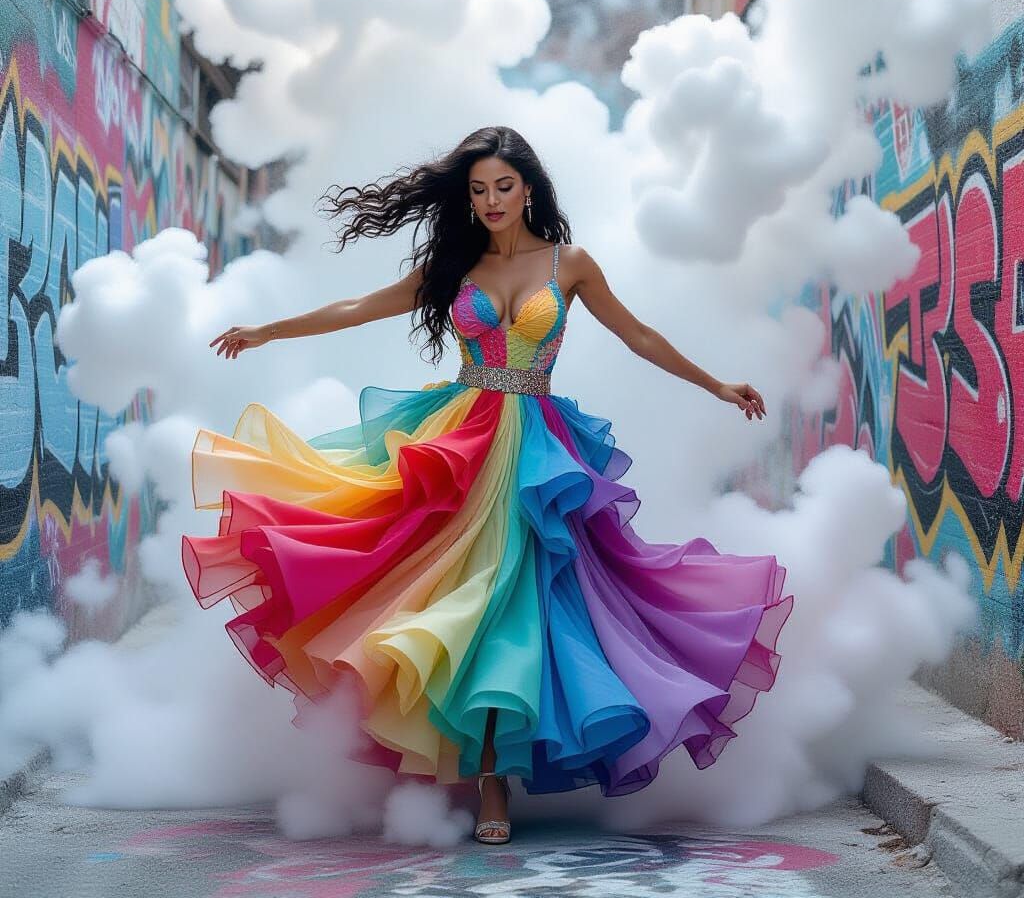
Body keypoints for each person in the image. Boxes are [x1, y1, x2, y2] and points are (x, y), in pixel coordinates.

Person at [182, 126, 793, 846]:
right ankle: (489, 784)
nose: (492, 200)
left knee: (524, 605)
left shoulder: (571, 264)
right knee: (456, 599)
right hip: (462, 438)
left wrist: (717, 384)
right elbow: (357, 307)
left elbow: (641, 336)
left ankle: (503, 772)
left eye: (503, 186)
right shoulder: (457, 265)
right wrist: (267, 331)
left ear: (528, 187)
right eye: (478, 189)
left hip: (537, 447)